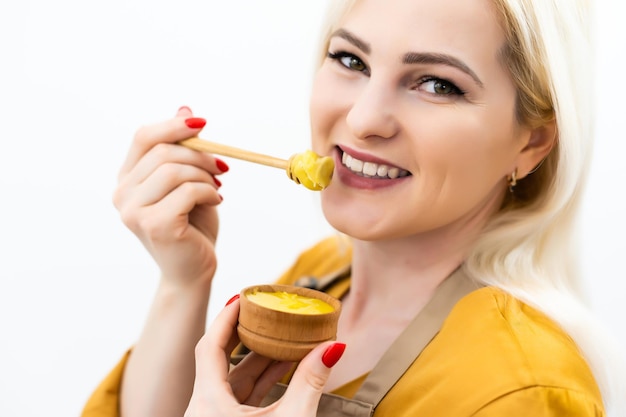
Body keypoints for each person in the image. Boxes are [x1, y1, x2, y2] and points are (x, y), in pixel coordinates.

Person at [81, 0, 626, 416]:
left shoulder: (522, 390)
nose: (365, 118)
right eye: (350, 59)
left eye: (437, 84)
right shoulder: (319, 280)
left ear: (529, 144)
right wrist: (183, 281)